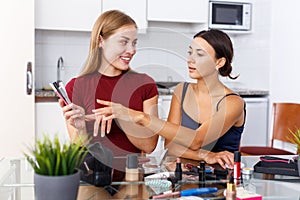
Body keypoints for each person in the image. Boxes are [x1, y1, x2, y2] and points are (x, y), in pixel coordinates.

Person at [95, 29, 246, 169]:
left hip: (226, 178)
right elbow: (171, 146)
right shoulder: (182, 91)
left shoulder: (232, 102)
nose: (190, 60)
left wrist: (140, 117)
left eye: (200, 54)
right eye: (190, 52)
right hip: (188, 175)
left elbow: (196, 140)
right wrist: (206, 155)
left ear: (219, 62)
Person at [59, 10, 159, 179]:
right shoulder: (76, 86)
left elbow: (149, 145)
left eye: (134, 43)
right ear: (100, 41)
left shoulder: (145, 85)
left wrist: (121, 116)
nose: (132, 50)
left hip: (131, 178)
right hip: (92, 179)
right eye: (123, 42)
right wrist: (81, 128)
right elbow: (79, 148)